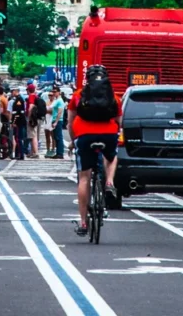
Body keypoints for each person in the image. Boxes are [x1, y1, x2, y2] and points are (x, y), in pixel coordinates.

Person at [69, 65, 121, 238]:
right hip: (108, 135)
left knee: (84, 177)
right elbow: (119, 120)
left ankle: (83, 222)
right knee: (111, 157)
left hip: (84, 136)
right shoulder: (114, 97)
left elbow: (70, 122)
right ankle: (109, 182)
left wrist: (72, 141)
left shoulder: (78, 96)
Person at [28, 87, 47, 159]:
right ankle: (33, 152)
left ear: (28, 90)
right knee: (36, 135)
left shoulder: (31, 96)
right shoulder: (37, 96)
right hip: (40, 118)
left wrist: (29, 117)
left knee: (33, 136)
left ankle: (35, 152)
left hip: (34, 119)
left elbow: (31, 106)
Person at [9, 86, 28, 159]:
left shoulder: (18, 100)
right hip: (19, 121)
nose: (12, 93)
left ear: (15, 91)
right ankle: (19, 154)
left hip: (19, 122)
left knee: (19, 139)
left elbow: (17, 113)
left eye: (12, 91)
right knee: (18, 138)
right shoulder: (18, 99)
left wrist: (14, 122)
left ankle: (21, 154)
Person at [53, 87, 68, 159]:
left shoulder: (60, 101)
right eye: (53, 92)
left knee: (59, 137)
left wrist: (56, 121)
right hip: (56, 120)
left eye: (55, 91)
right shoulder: (57, 100)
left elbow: (60, 112)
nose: (54, 93)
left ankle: (60, 153)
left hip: (58, 120)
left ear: (59, 92)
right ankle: (58, 152)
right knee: (56, 137)